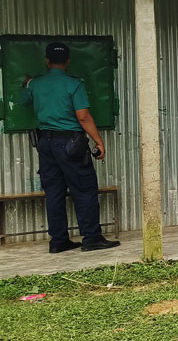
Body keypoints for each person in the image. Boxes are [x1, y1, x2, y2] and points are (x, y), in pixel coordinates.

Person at [17, 42, 120, 252]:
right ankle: (91, 238)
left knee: (54, 192)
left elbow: (21, 101)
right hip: (70, 143)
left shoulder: (35, 84)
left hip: (45, 143)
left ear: (47, 61)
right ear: (68, 61)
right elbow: (83, 116)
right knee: (84, 188)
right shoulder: (74, 84)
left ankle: (58, 241)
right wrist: (98, 140)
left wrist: (26, 83)